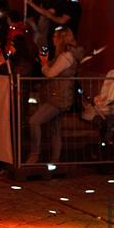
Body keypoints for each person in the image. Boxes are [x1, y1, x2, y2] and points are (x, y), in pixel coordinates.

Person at [26, 26, 84, 164]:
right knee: (55, 129)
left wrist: (44, 63)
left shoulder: (66, 56)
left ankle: (35, 154)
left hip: (58, 97)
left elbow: (50, 73)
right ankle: (55, 161)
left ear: (60, 39)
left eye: (55, 37)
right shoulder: (64, 55)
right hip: (58, 95)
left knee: (34, 121)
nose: (52, 39)